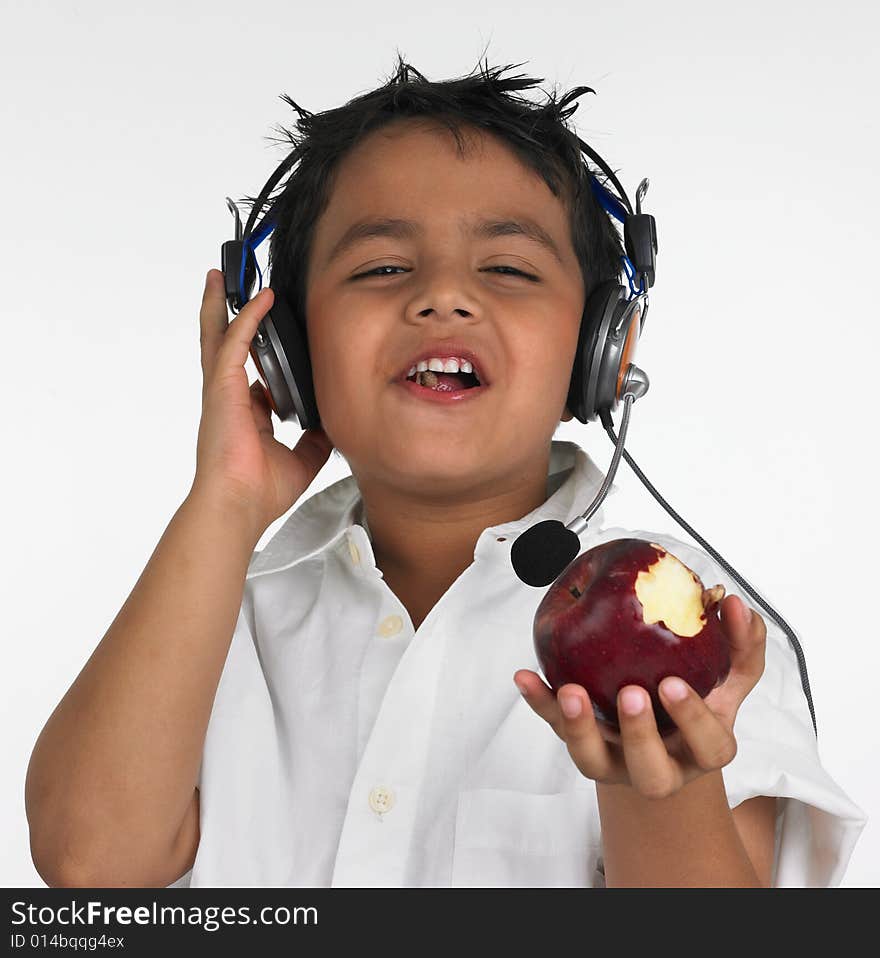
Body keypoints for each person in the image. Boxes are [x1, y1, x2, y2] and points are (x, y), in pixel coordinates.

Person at [25, 56, 866, 888]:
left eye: (507, 269)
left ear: (603, 351)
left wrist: (658, 790)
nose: (442, 299)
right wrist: (226, 502)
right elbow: (93, 867)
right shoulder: (212, 615)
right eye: (382, 267)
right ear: (288, 358)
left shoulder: (702, 621)